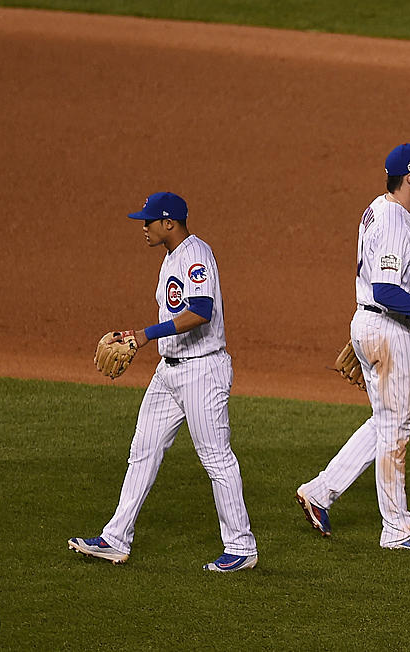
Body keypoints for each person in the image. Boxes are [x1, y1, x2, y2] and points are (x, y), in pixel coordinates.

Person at [296, 143, 410, 550]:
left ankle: (320, 493)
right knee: (396, 428)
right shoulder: (395, 221)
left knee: (383, 421)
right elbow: (387, 290)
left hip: (371, 322)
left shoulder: (378, 208)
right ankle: (396, 528)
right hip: (388, 327)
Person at [68, 192, 259, 572]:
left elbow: (201, 311)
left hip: (202, 372)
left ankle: (241, 547)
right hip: (169, 373)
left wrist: (143, 335)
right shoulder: (171, 257)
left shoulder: (195, 255)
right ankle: (115, 538)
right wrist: (147, 339)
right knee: (143, 450)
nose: (144, 227)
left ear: (169, 223)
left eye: (149, 221)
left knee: (216, 458)